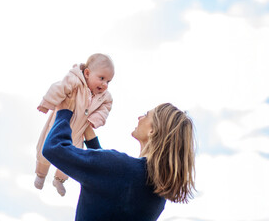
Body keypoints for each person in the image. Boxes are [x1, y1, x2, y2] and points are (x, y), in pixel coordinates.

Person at [42, 91, 196, 221]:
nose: (139, 117)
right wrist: (92, 140)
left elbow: (53, 147)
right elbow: (116, 190)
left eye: (146, 115)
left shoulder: (119, 168)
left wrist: (64, 111)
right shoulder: (158, 195)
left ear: (153, 131)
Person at [34, 53, 115, 196]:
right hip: (58, 125)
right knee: (44, 151)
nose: (104, 84)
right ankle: (41, 175)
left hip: (78, 133)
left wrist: (96, 119)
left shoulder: (105, 97)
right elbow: (59, 88)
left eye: (108, 81)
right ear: (88, 73)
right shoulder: (74, 81)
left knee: (71, 159)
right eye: (101, 78)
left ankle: (59, 180)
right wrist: (47, 102)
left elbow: (106, 109)